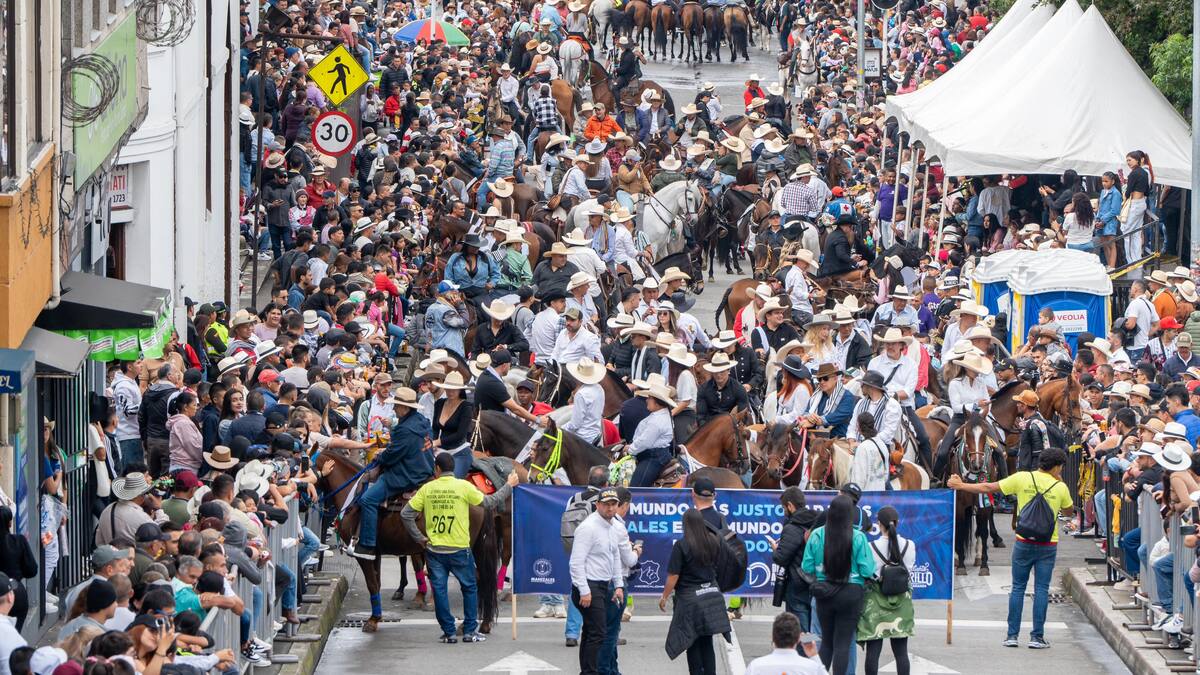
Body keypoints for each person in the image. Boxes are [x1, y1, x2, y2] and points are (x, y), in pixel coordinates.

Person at [949, 447, 1074, 649]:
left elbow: (987, 488)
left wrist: (960, 484)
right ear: (1057, 467)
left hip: (1023, 541)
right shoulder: (1060, 487)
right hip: (1047, 544)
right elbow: (1068, 511)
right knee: (1041, 589)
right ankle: (1037, 637)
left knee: (1017, 588)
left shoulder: (1022, 478)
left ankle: (1012, 636)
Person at [401, 452, 517, 644]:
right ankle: (470, 631)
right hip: (460, 550)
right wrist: (508, 486)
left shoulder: (427, 489)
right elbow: (490, 502)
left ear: (436, 470)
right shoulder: (464, 486)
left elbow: (406, 514)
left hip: (435, 550)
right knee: (469, 588)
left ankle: (448, 632)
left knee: (439, 591)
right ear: (453, 468)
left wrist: (419, 538)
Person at [350, 388, 434, 561]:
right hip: (425, 468)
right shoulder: (422, 422)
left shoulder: (405, 430)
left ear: (405, 408)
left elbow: (392, 456)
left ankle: (367, 545)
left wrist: (381, 455)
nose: (394, 409)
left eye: (397, 406)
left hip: (407, 474)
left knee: (368, 499)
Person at [801, 494, 876, 675]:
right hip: (851, 593)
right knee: (843, 644)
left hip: (824, 592)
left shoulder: (816, 536)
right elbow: (867, 570)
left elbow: (806, 566)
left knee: (826, 642)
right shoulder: (858, 537)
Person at [659, 507, 731, 675]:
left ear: (685, 524)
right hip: (711, 597)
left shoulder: (682, 545)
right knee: (707, 642)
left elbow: (673, 575)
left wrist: (664, 596)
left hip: (690, 600)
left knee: (692, 642)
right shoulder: (714, 541)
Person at [569, 487, 626, 675]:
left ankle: (587, 671)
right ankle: (590, 672)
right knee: (598, 632)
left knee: (591, 631)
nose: (610, 508)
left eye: (613, 504)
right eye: (606, 505)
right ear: (597, 505)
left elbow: (615, 555)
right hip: (588, 585)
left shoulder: (613, 526)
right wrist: (584, 590)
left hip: (603, 585)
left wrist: (618, 585)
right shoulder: (588, 527)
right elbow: (576, 563)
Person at [859, 505, 916, 675]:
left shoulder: (870, 547)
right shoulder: (910, 545)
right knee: (901, 653)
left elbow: (867, 572)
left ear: (879, 524)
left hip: (876, 601)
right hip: (902, 600)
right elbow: (910, 570)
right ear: (897, 523)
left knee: (873, 652)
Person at [600, 487, 641, 675]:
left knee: (606, 630)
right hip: (615, 582)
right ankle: (605, 669)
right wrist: (636, 551)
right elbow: (630, 561)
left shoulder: (598, 522)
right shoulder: (619, 527)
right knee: (610, 632)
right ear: (621, 505)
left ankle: (612, 669)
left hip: (600, 581)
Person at [771, 487, 821, 631]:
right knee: (813, 627)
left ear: (791, 506)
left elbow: (781, 558)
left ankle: (805, 652)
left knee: (800, 629)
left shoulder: (792, 528)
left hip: (798, 585)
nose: (784, 511)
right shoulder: (818, 523)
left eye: (784, 508)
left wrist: (775, 549)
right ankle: (812, 650)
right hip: (816, 581)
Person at [627, 379, 677, 487]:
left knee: (635, 488)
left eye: (649, 398)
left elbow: (645, 442)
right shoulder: (659, 415)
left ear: (657, 402)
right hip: (655, 454)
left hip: (653, 457)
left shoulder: (657, 421)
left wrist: (630, 449)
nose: (646, 400)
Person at [744, 612, 825, 674]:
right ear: (798, 639)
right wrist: (814, 655)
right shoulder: (811, 667)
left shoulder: (756, 666)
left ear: (772, 637)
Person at [432, 372, 475, 479]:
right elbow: (435, 428)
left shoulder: (466, 407)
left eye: (454, 389)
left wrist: (437, 442)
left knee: (451, 481)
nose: (450, 392)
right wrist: (432, 443)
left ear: (460, 389)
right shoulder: (439, 403)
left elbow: (460, 435)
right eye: (448, 388)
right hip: (440, 451)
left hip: (459, 451)